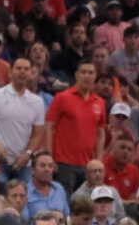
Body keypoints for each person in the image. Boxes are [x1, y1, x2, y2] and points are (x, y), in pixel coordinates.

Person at [0, 56, 46, 183]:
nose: (22, 71)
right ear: (10, 72)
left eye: (26, 69)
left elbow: (38, 133)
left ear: (31, 73)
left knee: (22, 200)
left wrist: (28, 153)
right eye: (18, 68)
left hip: (23, 163)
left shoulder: (37, 102)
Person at [46, 59, 106, 194]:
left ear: (95, 76)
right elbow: (49, 127)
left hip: (88, 164)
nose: (87, 76)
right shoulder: (62, 98)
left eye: (90, 73)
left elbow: (100, 132)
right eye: (83, 72)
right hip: (64, 162)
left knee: (86, 204)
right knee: (66, 203)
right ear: (76, 75)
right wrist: (50, 157)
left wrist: (99, 159)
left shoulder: (100, 102)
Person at [23, 151, 71, 221]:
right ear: (33, 170)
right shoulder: (25, 191)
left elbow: (67, 217)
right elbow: (24, 221)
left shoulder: (59, 188)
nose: (47, 169)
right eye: (42, 166)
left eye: (50, 166)